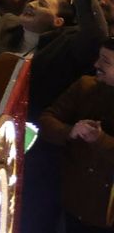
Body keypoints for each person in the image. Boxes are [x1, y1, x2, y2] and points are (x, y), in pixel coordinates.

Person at [40, 39, 114, 232]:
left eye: (105, 61)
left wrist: (100, 140)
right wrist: (69, 131)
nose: (96, 65)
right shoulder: (85, 86)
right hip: (74, 205)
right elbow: (47, 120)